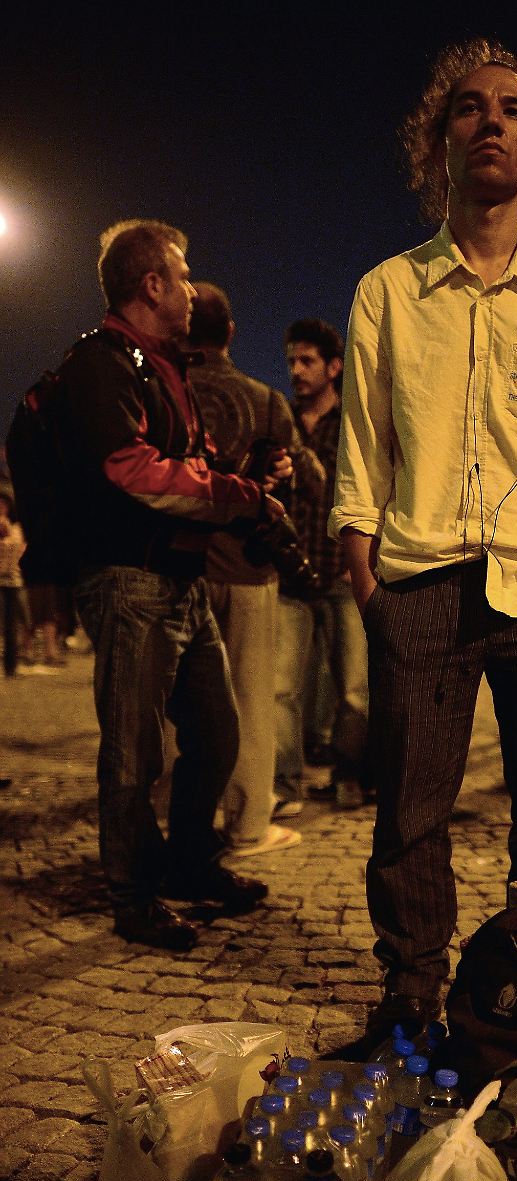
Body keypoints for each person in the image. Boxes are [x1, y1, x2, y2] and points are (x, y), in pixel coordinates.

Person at [329, 38, 517, 1046]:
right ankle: (412, 999)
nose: (492, 121)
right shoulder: (387, 291)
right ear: (439, 143)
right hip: (418, 583)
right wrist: (362, 564)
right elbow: (363, 439)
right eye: (469, 108)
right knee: (409, 817)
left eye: (513, 110)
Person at [60, 220, 280, 949]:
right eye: (182, 276)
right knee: (133, 749)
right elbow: (134, 470)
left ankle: (190, 861)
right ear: (151, 284)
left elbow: (187, 460)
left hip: (181, 581)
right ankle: (133, 896)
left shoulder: (160, 365)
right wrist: (238, 497)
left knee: (216, 735)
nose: (192, 289)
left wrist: (240, 485)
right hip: (133, 581)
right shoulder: (103, 363)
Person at [187, 282, 302, 857]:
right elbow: (293, 479)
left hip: (181, 567)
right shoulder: (264, 399)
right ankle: (249, 823)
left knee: (174, 702)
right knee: (252, 699)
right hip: (249, 567)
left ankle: (173, 815)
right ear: (231, 333)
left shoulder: (165, 389)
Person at [283, 319, 370, 811]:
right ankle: (284, 784)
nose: (296, 370)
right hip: (292, 575)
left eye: (307, 361)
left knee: (354, 687)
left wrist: (358, 562)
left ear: (334, 367)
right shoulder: (282, 421)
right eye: (292, 360)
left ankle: (349, 775)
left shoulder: (353, 423)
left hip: (341, 572)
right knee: (284, 688)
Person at [0, 485, 27, 678]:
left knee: (12, 624)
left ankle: (11, 664)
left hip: (13, 581)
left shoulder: (16, 527)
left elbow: (20, 550)